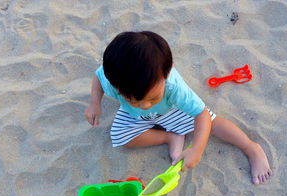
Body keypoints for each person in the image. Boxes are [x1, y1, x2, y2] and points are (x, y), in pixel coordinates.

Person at [84, 31, 272, 184]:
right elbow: (98, 79)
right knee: (118, 135)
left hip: (172, 109)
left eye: (152, 97)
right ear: (116, 86)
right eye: (134, 99)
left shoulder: (173, 88)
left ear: (168, 71)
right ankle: (170, 136)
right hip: (136, 117)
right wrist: (95, 103)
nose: (145, 105)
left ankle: (251, 148)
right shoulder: (115, 80)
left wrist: (196, 149)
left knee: (212, 123)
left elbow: (202, 114)